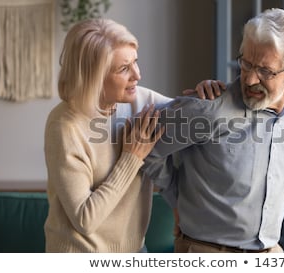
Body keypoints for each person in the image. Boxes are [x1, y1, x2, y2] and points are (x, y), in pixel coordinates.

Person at [143, 8, 284, 253]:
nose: (249, 80)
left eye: (265, 71)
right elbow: (144, 145)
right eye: (246, 64)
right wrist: (178, 201)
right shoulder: (208, 108)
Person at [44, 18, 223, 252]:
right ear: (94, 77)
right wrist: (131, 157)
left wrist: (208, 94)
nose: (137, 75)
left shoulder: (142, 101)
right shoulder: (64, 126)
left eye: (135, 63)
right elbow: (85, 220)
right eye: (123, 69)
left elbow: (197, 119)